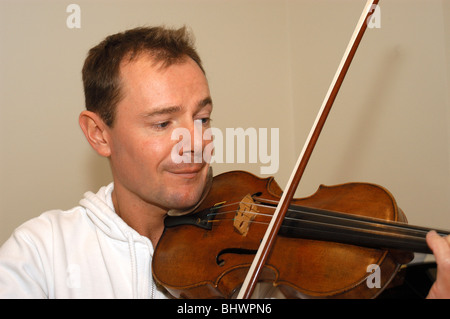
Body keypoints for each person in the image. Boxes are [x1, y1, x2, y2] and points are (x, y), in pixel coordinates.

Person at [0, 26, 449, 299]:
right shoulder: (41, 254)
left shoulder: (259, 263)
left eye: (203, 118)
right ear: (99, 134)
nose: (194, 143)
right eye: (162, 124)